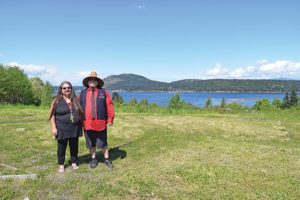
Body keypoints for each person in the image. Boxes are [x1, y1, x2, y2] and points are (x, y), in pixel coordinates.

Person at [79, 71, 115, 169]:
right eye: (91, 80)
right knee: (91, 143)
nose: (92, 81)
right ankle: (93, 159)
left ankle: (106, 159)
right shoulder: (82, 93)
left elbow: (109, 105)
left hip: (100, 123)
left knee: (103, 143)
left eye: (94, 80)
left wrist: (110, 119)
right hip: (87, 123)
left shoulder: (104, 92)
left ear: (97, 82)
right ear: (88, 82)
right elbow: (78, 106)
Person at [49, 81, 83, 173]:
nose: (67, 89)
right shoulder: (56, 100)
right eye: (64, 88)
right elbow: (51, 115)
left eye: (68, 88)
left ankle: (74, 162)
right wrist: (53, 127)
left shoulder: (75, 99)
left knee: (74, 146)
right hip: (61, 128)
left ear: (71, 89)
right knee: (61, 147)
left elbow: (81, 112)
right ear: (61, 90)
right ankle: (61, 165)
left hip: (74, 128)